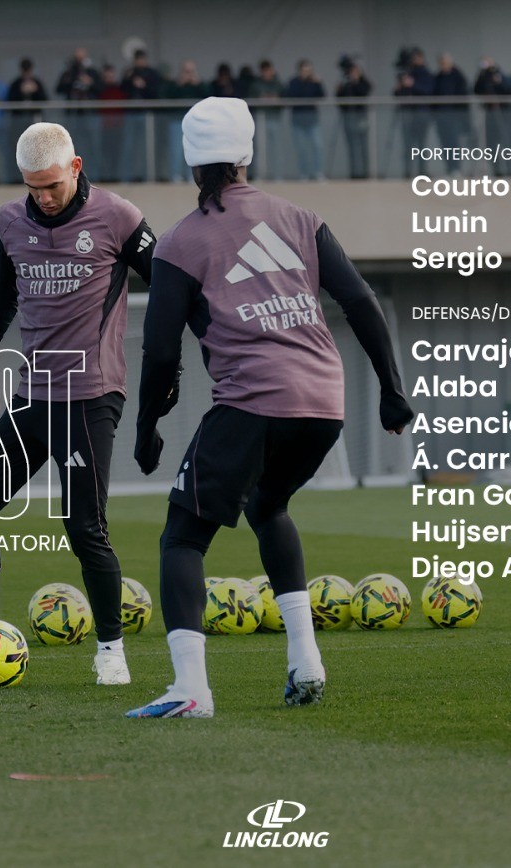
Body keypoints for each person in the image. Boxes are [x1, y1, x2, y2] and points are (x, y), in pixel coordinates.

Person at [126, 97, 412, 719]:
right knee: (267, 505)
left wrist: (146, 427)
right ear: (247, 154)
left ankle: (190, 691)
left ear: (190, 161)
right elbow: (361, 301)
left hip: (253, 402)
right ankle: (306, 662)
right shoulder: (302, 219)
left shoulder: (179, 243)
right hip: (324, 405)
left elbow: (159, 350)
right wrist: (391, 390)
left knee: (182, 537)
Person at [0, 122, 155, 689]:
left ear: (76, 167)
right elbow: (3, 293)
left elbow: (170, 286)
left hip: (91, 397)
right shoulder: (9, 220)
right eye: (33, 187)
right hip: (33, 396)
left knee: (83, 526)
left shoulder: (119, 217)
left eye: (52, 185)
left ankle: (111, 651)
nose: (44, 197)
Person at [55, 48, 101, 170]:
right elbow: (59, 89)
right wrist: (71, 80)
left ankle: (95, 172)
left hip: (90, 113)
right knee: (71, 144)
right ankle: (72, 171)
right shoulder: (69, 73)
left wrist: (90, 83)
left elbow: (101, 89)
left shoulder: (92, 72)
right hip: (73, 114)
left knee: (93, 144)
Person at [121, 50, 162, 182]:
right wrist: (127, 79)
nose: (140, 62)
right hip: (131, 113)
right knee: (129, 146)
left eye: (142, 59)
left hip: (146, 115)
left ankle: (147, 176)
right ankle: (127, 177)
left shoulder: (152, 74)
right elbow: (123, 91)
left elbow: (156, 93)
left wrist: (144, 86)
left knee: (147, 147)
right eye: (137, 59)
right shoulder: (130, 73)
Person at [164, 60, 209, 182]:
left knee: (194, 149)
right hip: (177, 120)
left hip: (195, 122)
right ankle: (176, 175)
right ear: (181, 72)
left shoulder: (200, 84)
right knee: (176, 150)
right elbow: (167, 97)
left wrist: (198, 84)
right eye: (186, 71)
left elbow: (208, 97)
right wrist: (180, 84)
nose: (189, 74)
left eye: (191, 71)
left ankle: (192, 176)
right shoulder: (174, 85)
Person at [6, 59, 49, 184]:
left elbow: (45, 99)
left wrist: (35, 91)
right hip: (18, 123)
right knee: (18, 150)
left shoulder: (37, 83)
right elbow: (10, 100)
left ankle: (36, 178)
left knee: (36, 151)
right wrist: (21, 91)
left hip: (34, 122)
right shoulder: (16, 84)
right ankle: (16, 178)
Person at [394, 48, 434, 176]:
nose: (414, 61)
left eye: (417, 58)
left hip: (421, 113)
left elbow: (428, 90)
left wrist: (413, 84)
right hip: (407, 113)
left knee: (421, 144)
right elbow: (398, 94)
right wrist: (400, 86)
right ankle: (408, 171)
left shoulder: (426, 74)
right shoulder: (408, 73)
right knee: (408, 144)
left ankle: (423, 171)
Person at [284, 59, 325, 180]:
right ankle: (304, 173)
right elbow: (291, 95)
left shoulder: (314, 82)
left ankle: (318, 172)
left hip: (312, 119)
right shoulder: (293, 82)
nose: (307, 73)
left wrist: (319, 83)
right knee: (302, 148)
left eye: (309, 70)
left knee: (317, 146)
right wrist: (303, 83)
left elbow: (321, 96)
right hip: (298, 119)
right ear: (299, 71)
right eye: (304, 70)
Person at [432, 54, 471, 176]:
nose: (443, 66)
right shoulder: (438, 77)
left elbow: (463, 96)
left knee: (454, 143)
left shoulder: (458, 76)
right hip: (441, 116)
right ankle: (449, 168)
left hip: (455, 115)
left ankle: (457, 168)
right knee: (445, 144)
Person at [334, 55, 372, 179]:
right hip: (349, 117)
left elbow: (364, 92)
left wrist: (356, 81)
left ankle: (365, 172)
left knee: (363, 146)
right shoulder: (346, 83)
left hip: (361, 117)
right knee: (352, 146)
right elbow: (340, 100)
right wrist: (339, 89)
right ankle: (355, 172)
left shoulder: (364, 82)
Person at [248, 60, 286, 181]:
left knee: (276, 147)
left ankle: (278, 175)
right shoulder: (255, 85)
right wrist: (263, 98)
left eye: (269, 70)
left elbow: (284, 97)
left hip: (275, 118)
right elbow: (252, 99)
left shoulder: (278, 84)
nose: (267, 73)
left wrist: (274, 98)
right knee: (259, 148)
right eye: (265, 71)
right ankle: (259, 174)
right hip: (260, 119)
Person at [473, 58, 509, 172]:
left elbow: (507, 88)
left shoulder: (499, 75)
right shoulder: (483, 77)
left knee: (504, 141)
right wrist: (482, 75)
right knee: (490, 144)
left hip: (501, 114)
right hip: (488, 115)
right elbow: (476, 89)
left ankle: (509, 168)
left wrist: (497, 79)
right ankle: (496, 168)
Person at [97, 64, 127, 182]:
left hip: (117, 126)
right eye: (107, 76)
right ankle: (105, 175)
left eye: (111, 76)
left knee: (117, 153)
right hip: (104, 127)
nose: (109, 78)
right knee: (105, 153)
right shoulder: (100, 90)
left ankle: (115, 176)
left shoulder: (119, 89)